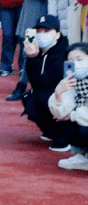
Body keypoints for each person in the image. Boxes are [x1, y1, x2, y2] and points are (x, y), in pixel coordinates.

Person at [9, 0, 54, 101]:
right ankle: (27, 86)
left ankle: (23, 86)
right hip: (30, 13)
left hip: (36, 16)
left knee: (31, 53)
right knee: (29, 52)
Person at [21, 14, 70, 150]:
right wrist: (32, 58)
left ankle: (63, 139)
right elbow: (36, 83)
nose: (42, 35)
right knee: (29, 96)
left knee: (37, 98)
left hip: (68, 102)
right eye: (39, 31)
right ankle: (51, 132)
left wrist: (32, 59)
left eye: (47, 31)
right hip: (54, 97)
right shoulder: (44, 52)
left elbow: (43, 84)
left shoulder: (62, 54)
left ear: (57, 34)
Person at [48, 43, 88, 170]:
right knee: (65, 123)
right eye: (71, 61)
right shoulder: (73, 81)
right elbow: (59, 113)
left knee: (80, 126)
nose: (76, 63)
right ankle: (83, 156)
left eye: (80, 59)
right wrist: (59, 93)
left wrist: (73, 115)